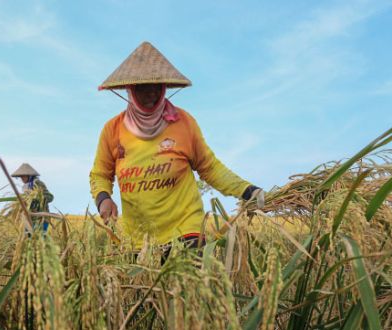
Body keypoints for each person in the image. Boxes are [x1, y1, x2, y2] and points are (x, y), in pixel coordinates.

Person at [89, 41, 264, 250]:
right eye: (143, 88)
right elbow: (100, 174)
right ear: (130, 90)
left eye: (157, 87)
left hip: (185, 229)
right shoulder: (113, 129)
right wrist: (103, 198)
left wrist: (247, 190)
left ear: (164, 88)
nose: (151, 94)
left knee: (189, 282)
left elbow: (209, 167)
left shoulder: (184, 123)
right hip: (137, 238)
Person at [11, 163, 54, 232]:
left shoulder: (37, 183)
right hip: (30, 217)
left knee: (40, 238)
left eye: (23, 176)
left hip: (41, 218)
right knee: (28, 238)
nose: (22, 178)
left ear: (29, 176)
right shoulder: (25, 186)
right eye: (20, 177)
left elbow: (50, 197)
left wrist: (36, 197)